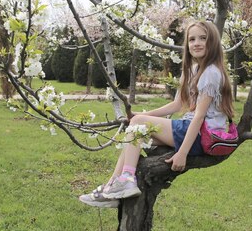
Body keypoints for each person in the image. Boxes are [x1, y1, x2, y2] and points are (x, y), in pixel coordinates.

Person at [79, 20, 234, 207]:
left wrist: (182, 153)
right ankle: (112, 186)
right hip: (194, 131)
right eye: (192, 39)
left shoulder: (210, 72)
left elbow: (200, 117)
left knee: (137, 127)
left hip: (201, 134)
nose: (197, 43)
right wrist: (141, 115)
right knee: (133, 137)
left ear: (214, 42)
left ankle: (126, 180)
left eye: (203, 38)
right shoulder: (193, 70)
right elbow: (177, 105)